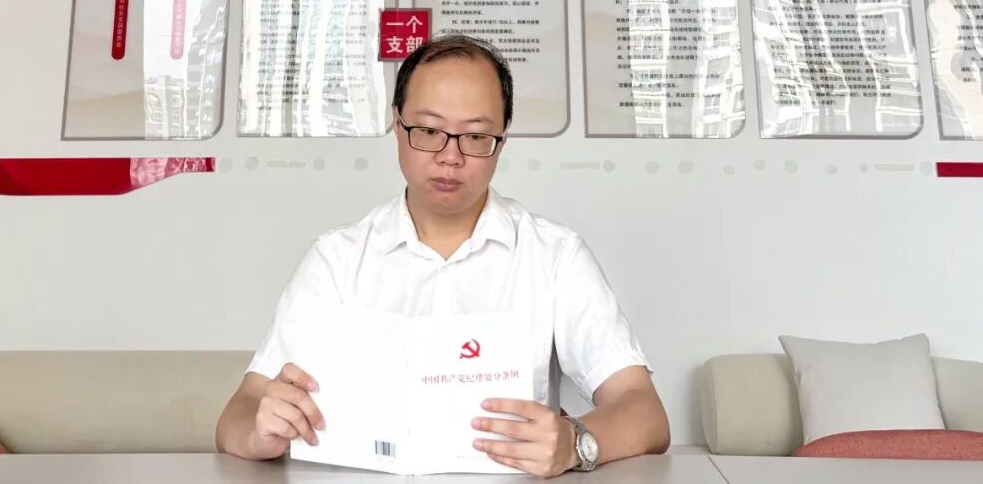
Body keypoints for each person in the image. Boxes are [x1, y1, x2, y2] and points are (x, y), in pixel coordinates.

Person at [216, 34, 669, 476]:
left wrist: (575, 442)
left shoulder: (554, 256)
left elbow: (644, 411)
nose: (450, 157)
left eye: (476, 136)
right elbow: (239, 413)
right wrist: (259, 432)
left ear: (502, 139)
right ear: (397, 125)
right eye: (429, 131)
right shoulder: (337, 260)